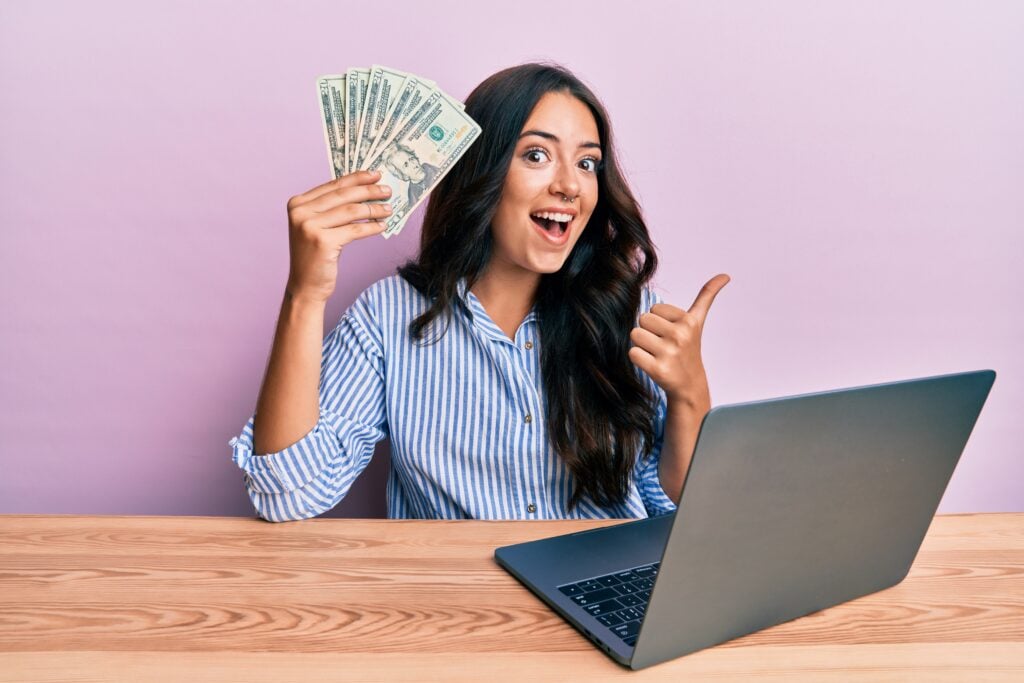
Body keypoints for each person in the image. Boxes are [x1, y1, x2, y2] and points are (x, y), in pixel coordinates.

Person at [228, 62, 730, 522]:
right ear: (481, 172)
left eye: (587, 163)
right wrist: (304, 294)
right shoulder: (387, 317)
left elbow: (679, 511)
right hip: (462, 605)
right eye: (537, 155)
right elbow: (286, 494)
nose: (570, 187)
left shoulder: (630, 315)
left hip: (601, 602)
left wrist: (690, 395)